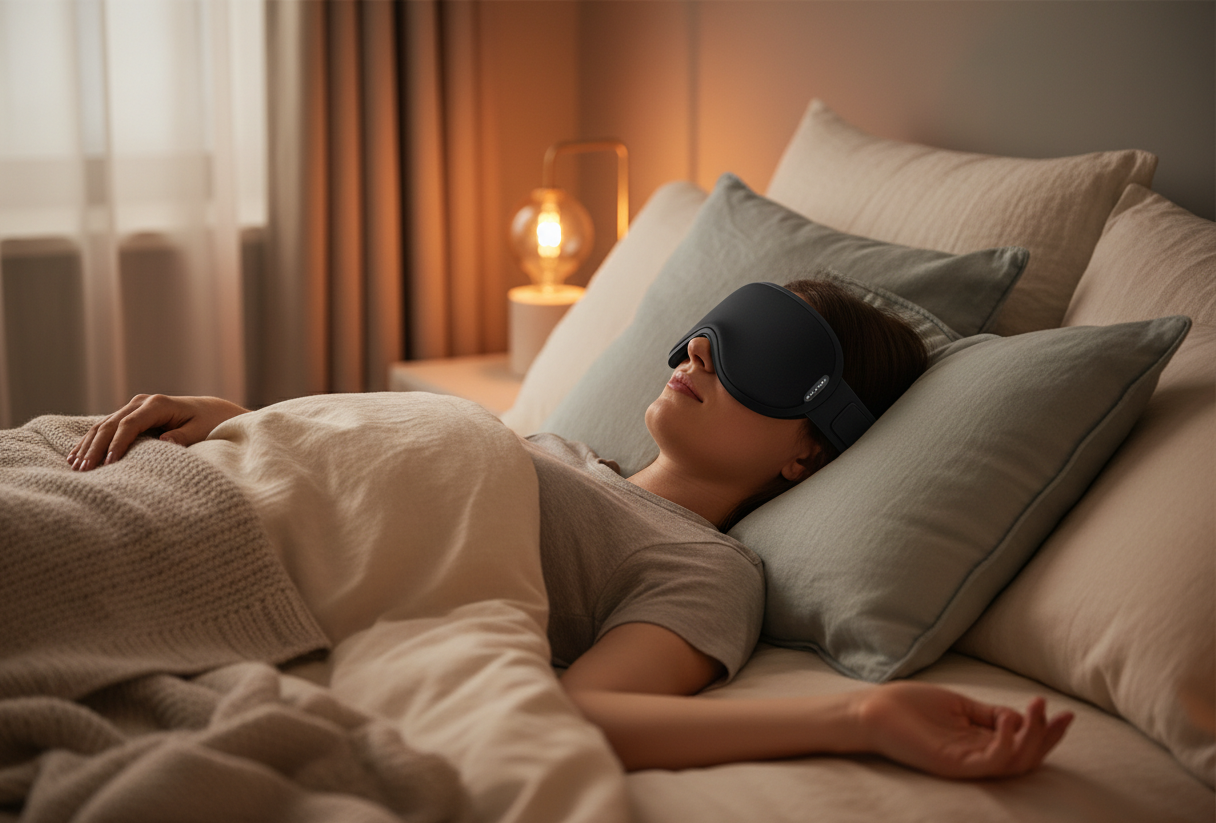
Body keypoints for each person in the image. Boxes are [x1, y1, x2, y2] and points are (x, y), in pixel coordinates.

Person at [68, 277, 1073, 778]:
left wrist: (858, 722)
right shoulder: (551, 446)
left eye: (757, 353)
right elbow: (388, 471)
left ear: (806, 451)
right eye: (713, 329)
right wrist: (241, 418)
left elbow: (587, 713)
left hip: (212, 556)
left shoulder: (706, 570)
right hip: (187, 476)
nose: (697, 353)